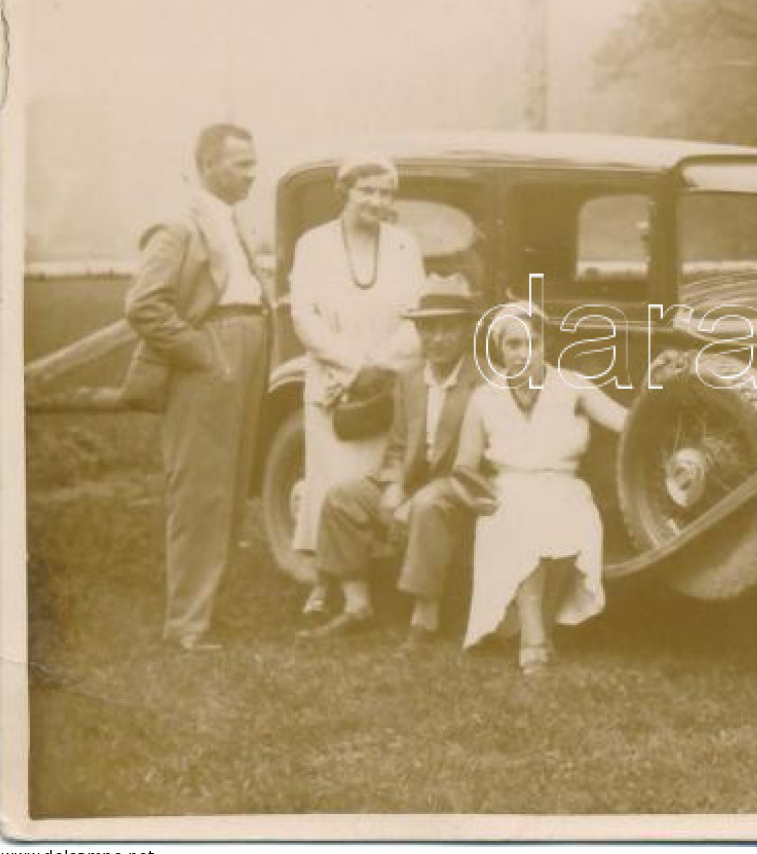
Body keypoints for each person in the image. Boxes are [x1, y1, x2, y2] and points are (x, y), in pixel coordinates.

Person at [123, 123, 270, 652]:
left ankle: (208, 612)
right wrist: (203, 356)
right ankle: (186, 624)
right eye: (240, 165)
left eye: (254, 163)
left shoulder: (231, 220)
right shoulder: (177, 223)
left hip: (247, 349)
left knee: (229, 491)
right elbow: (144, 305)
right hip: (212, 352)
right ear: (207, 165)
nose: (253, 174)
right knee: (199, 491)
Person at [300, 273, 485, 643]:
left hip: (463, 485)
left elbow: (479, 462)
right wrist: (393, 485)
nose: (437, 338)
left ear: (466, 332)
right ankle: (357, 605)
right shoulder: (411, 380)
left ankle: (424, 615)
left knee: (429, 504)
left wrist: (412, 497)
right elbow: (398, 446)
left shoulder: (483, 381)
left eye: (448, 328)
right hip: (415, 482)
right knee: (343, 497)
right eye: (428, 329)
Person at [289, 156, 427, 618]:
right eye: (367, 190)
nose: (377, 201)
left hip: (387, 381)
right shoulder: (314, 245)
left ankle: (369, 582)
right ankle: (325, 583)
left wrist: (379, 365)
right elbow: (303, 315)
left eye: (386, 193)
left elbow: (418, 316)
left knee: (372, 481)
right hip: (334, 382)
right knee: (330, 483)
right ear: (344, 191)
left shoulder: (405, 245)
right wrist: (351, 367)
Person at [454, 305, 627, 674]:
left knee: (565, 515)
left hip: (564, 486)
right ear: (499, 348)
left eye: (532, 342)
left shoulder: (573, 385)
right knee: (522, 518)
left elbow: (626, 422)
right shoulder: (484, 397)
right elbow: (464, 468)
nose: (524, 353)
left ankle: (537, 634)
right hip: (507, 491)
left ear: (544, 344)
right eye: (514, 344)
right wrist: (477, 498)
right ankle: (534, 640)